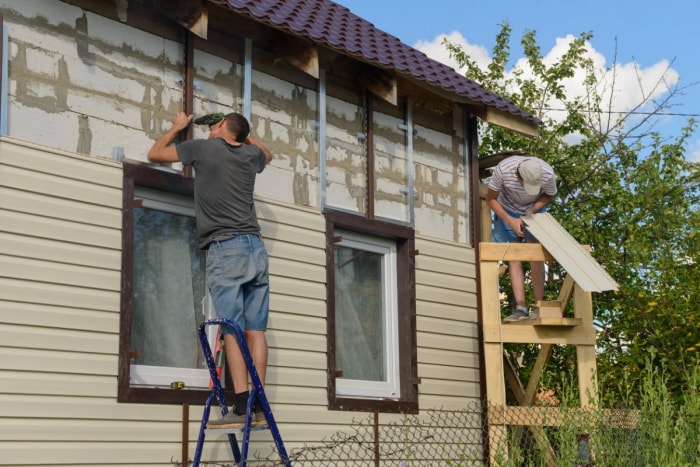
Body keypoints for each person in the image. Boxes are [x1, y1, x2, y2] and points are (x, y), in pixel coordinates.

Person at [147, 111, 273, 428]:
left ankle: (242, 407)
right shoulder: (250, 154)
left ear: (219, 129)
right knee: (256, 330)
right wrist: (241, 135)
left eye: (212, 125)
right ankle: (257, 402)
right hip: (255, 248)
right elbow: (267, 153)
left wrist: (177, 127)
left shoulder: (204, 148)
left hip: (226, 247)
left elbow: (155, 154)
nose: (208, 129)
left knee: (231, 328)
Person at [485, 155, 557, 322]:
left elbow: (548, 195)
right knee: (513, 255)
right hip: (506, 208)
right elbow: (490, 199)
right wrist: (510, 220)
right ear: (518, 176)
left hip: (533, 211)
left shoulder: (547, 173)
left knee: (535, 255)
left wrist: (532, 210)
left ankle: (539, 306)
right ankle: (521, 308)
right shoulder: (503, 171)